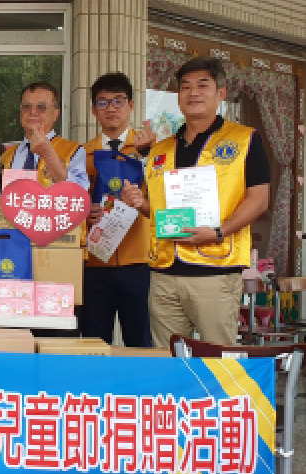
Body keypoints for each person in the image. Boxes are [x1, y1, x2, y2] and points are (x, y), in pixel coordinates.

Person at [121, 57, 270, 346]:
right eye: (186, 87)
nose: (193, 93)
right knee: (168, 358)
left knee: (218, 356)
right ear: (178, 97)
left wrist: (218, 232)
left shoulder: (244, 139)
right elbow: (159, 210)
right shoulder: (161, 149)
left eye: (203, 85)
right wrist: (140, 204)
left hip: (216, 269)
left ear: (221, 93)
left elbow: (259, 199)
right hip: (164, 271)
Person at [81, 73, 155, 347]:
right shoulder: (82, 155)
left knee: (141, 343)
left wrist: (147, 157)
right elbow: (71, 203)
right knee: (94, 342)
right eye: (102, 102)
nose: (111, 108)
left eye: (118, 101)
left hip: (139, 262)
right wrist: (84, 213)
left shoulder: (150, 149)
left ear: (131, 105)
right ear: (93, 109)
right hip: (94, 262)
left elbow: (165, 201)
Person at [0, 82, 90, 189]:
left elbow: (79, 192)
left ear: (56, 114)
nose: (33, 112)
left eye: (41, 107)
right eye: (27, 107)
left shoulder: (73, 151)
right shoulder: (7, 156)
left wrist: (48, 155)